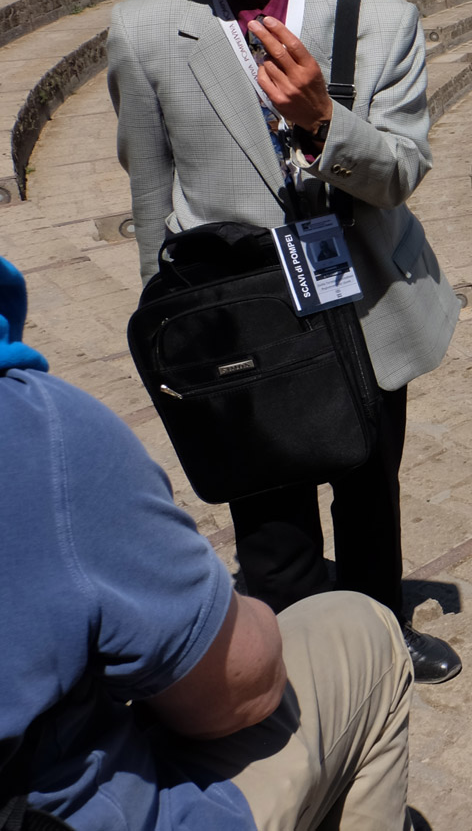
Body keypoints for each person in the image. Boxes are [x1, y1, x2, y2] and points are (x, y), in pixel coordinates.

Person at [105, 0, 464, 686]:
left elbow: (400, 172)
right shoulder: (146, 31)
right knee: (271, 508)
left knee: (369, 485)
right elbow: (152, 195)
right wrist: (173, 327)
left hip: (363, 301)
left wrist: (320, 120)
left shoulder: (379, 24)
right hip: (240, 318)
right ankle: (307, 659)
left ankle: (380, 636)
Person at [0, 254, 420, 831]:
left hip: (331, 276)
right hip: (228, 297)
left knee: (364, 482)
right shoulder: (37, 429)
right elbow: (240, 695)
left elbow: (401, 169)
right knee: (363, 628)